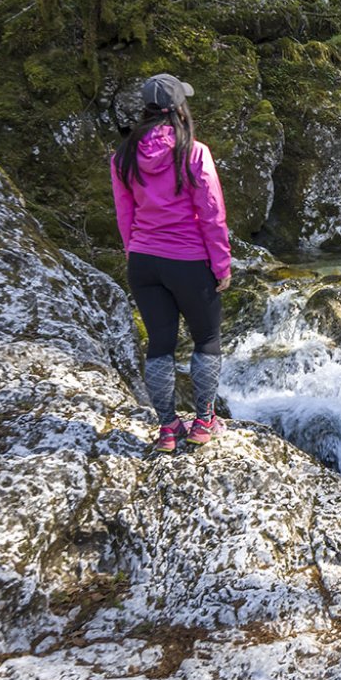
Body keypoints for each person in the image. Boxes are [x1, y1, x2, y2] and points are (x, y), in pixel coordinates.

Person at [111, 73, 233, 453]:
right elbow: (211, 213)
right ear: (180, 108)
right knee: (207, 340)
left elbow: (124, 214)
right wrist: (222, 265)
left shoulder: (124, 156)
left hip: (144, 262)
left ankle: (167, 429)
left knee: (160, 345)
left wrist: (135, 255)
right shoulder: (194, 152)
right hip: (189, 260)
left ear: (146, 109)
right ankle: (203, 422)